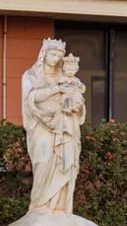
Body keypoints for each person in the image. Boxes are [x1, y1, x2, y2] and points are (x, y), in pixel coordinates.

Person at [23, 40, 86, 216]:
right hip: (40, 126)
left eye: (59, 55)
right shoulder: (30, 76)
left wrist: (76, 105)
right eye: (52, 54)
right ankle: (38, 206)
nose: (55, 58)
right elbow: (30, 99)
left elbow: (78, 100)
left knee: (64, 164)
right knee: (43, 162)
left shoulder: (66, 76)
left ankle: (59, 207)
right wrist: (57, 89)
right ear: (43, 54)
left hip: (64, 125)